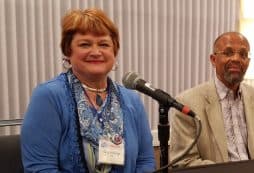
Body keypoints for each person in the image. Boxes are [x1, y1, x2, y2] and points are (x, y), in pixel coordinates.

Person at [21, 8, 155, 173]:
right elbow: (40, 168)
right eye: (85, 44)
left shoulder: (131, 100)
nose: (96, 52)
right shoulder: (49, 97)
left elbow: (145, 161)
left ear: (114, 52)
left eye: (104, 44)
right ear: (68, 52)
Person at [169, 32, 254, 167]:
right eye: (228, 53)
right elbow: (183, 162)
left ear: (248, 62)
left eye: (243, 54)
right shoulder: (187, 103)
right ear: (213, 60)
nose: (236, 59)